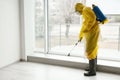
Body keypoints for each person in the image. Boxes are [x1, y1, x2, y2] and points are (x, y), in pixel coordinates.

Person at [75, 3, 100, 76]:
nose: (77, 12)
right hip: (92, 32)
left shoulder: (85, 10)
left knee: (90, 50)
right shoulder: (84, 12)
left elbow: (92, 20)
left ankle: (92, 71)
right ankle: (92, 68)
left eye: (76, 10)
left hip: (93, 32)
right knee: (93, 50)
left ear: (79, 8)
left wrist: (86, 30)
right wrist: (81, 36)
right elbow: (84, 25)